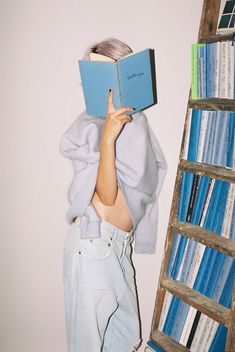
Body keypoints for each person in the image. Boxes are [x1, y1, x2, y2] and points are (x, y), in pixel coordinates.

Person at [60, 37, 167, 352]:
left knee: (127, 344)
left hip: (119, 249)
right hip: (94, 245)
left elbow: (143, 190)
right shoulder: (93, 127)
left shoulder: (136, 124)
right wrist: (107, 139)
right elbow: (107, 198)